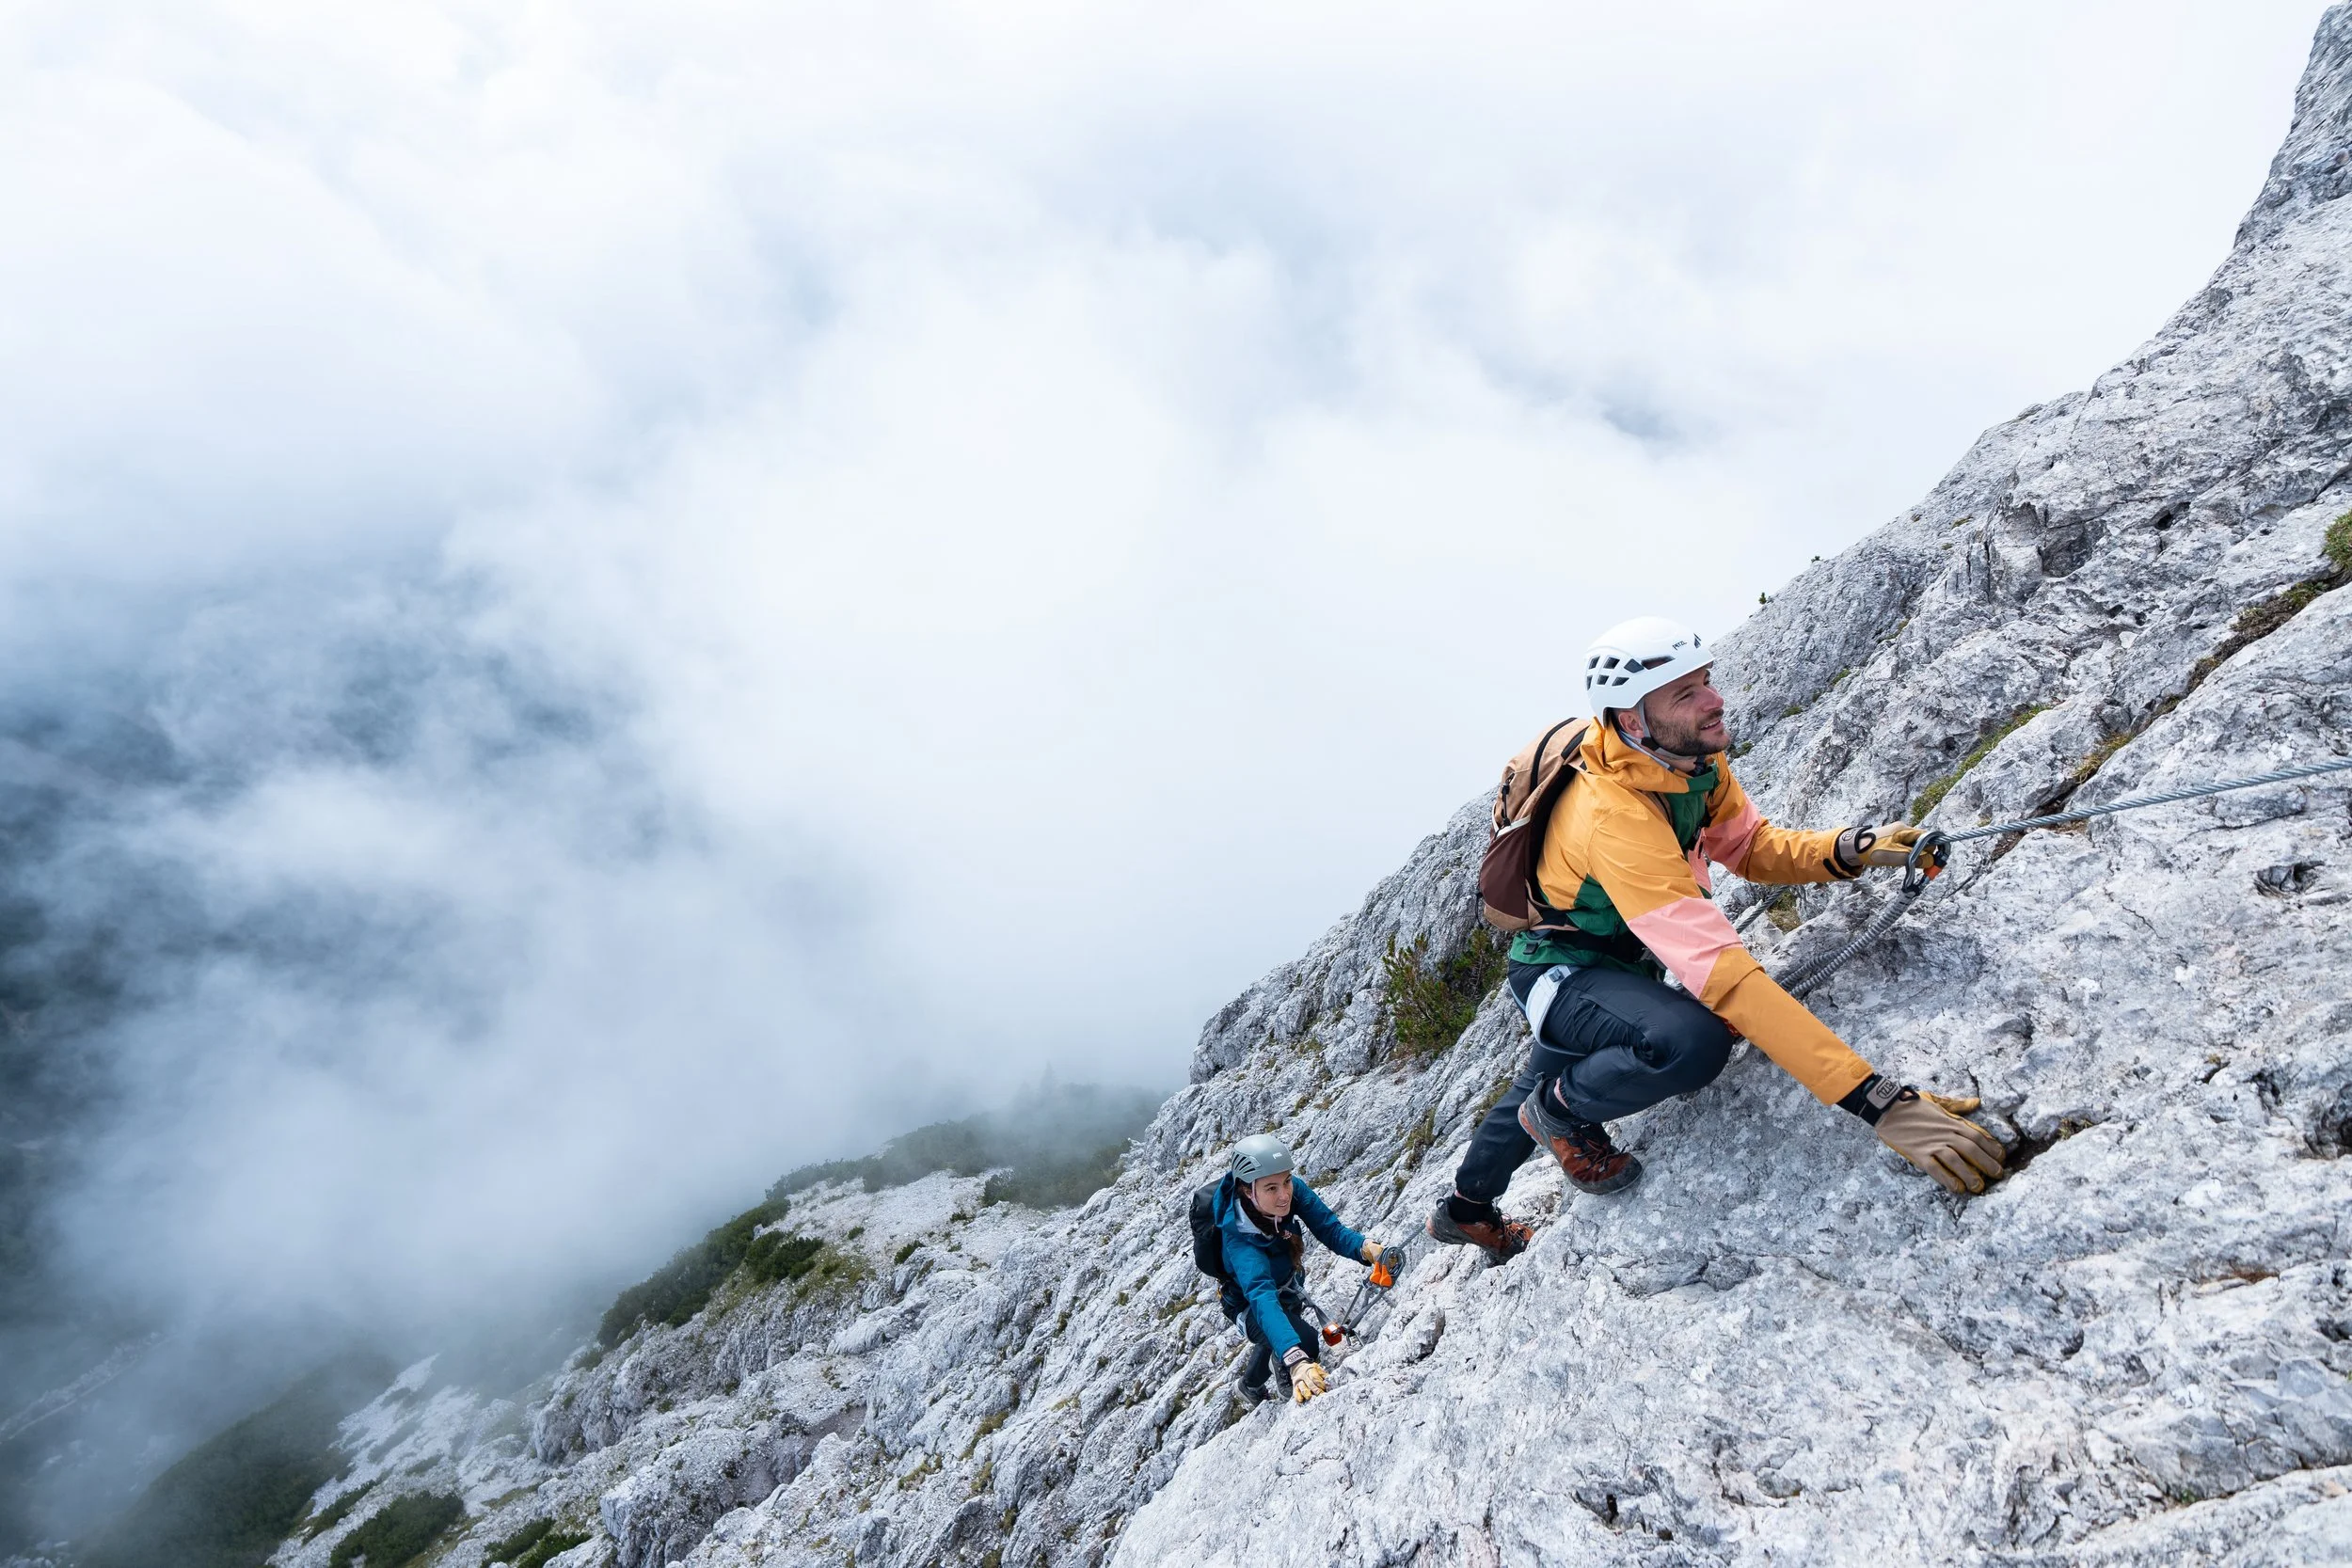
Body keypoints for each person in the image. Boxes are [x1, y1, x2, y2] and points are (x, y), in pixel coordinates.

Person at [1427, 615, 2006, 1264]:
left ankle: (1466, 1208)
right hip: (1560, 970)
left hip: (1619, 961)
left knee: (1554, 1067)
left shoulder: (1689, 761)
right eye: (1686, 693)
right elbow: (1724, 976)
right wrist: (1876, 1099)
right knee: (1691, 1042)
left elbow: (1752, 847)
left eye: (1706, 680)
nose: (1715, 700)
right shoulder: (1611, 812)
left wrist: (1850, 848)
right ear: (1632, 719)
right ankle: (1558, 1114)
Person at [1210, 1133, 1402, 1404]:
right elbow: (1262, 1298)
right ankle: (1284, 1370)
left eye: (1287, 1181)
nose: (1284, 1195)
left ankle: (1248, 1385)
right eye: (1271, 1188)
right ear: (1247, 1190)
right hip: (1246, 1304)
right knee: (1305, 1342)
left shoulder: (1292, 1192)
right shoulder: (1239, 1239)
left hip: (1287, 1283)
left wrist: (1366, 1248)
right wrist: (1296, 1360)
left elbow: (1330, 1230)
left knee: (1283, 1327)